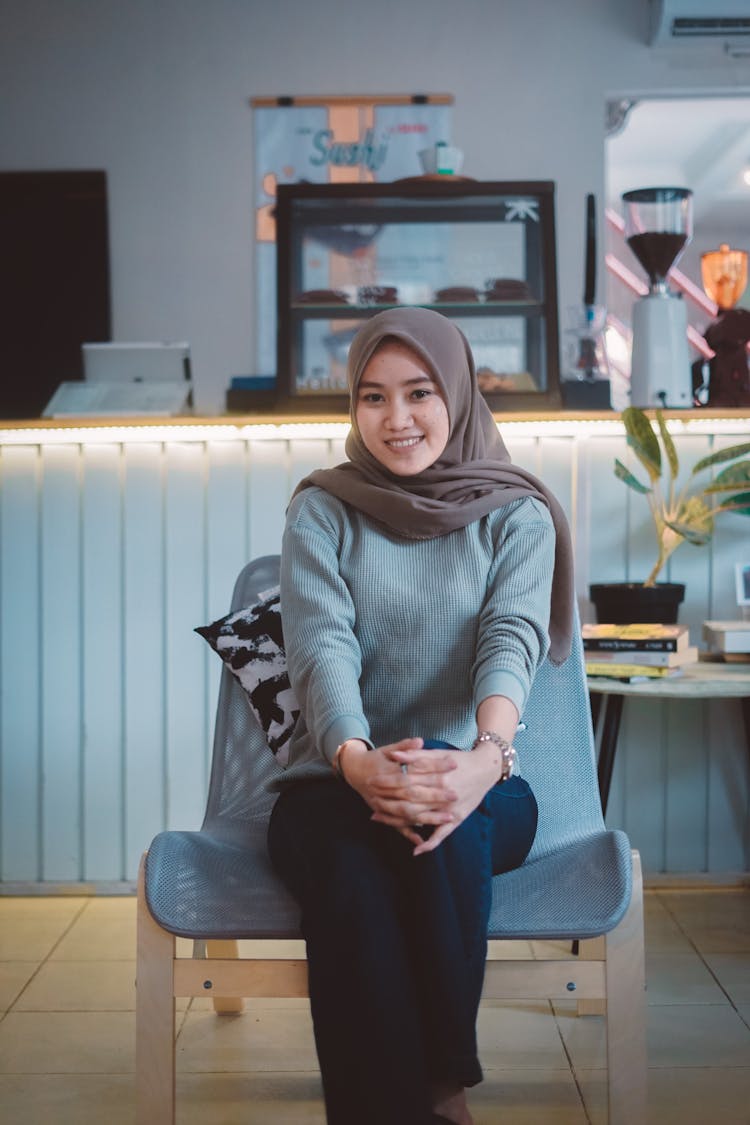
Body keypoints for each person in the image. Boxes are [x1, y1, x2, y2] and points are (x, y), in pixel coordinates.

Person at [267, 307, 574, 1125]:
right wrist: (358, 758)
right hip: (334, 781)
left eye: (419, 392)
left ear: (459, 393)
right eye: (373, 396)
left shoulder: (519, 513)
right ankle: (433, 1101)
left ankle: (434, 1088)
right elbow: (319, 647)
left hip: (486, 776)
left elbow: (511, 638)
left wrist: (481, 758)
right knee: (353, 861)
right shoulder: (322, 510)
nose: (396, 419)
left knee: (443, 812)